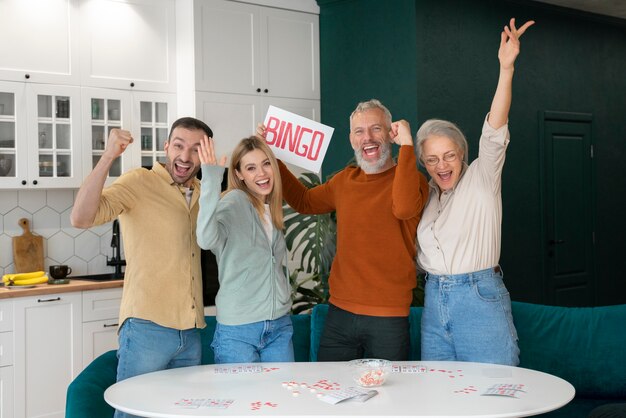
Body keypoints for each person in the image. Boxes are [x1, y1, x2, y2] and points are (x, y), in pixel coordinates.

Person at [258, 99, 429, 361]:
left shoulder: (411, 179)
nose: (367, 138)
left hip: (388, 317)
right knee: (331, 391)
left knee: (391, 399)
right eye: (359, 131)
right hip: (340, 314)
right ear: (351, 139)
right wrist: (272, 157)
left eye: (376, 129)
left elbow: (404, 209)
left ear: (390, 134)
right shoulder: (344, 180)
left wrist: (407, 145)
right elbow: (304, 201)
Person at [70, 117, 212, 418]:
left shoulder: (204, 192)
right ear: (166, 146)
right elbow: (81, 218)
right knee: (133, 413)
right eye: (178, 146)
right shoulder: (139, 182)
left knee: (182, 414)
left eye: (195, 149)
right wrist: (108, 156)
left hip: (191, 331)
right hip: (147, 327)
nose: (185, 157)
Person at [415, 18, 534, 366]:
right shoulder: (427, 197)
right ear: (424, 163)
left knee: (494, 391)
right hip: (434, 300)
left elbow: (495, 127)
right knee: (439, 394)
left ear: (462, 154)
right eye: (432, 159)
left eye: (449, 155)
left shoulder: (483, 175)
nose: (442, 164)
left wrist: (506, 68)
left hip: (478, 297)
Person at [196, 135, 293, 363]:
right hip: (239, 330)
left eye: (266, 163)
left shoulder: (274, 209)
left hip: (279, 325)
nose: (261, 173)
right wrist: (210, 179)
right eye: (251, 168)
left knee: (282, 397)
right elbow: (206, 239)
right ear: (239, 174)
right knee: (239, 398)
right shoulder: (234, 202)